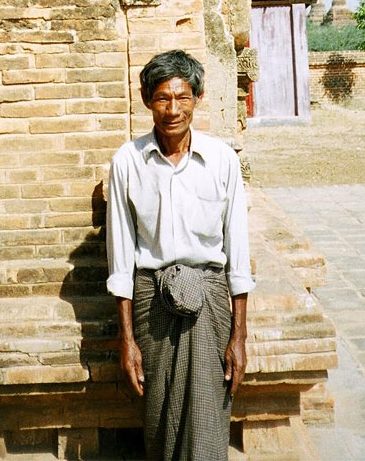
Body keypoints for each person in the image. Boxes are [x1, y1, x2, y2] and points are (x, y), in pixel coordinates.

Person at [106, 50, 254, 461]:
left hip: (209, 300)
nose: (173, 109)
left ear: (198, 98)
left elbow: (238, 257)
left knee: (209, 415)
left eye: (182, 97)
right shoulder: (128, 162)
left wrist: (239, 336)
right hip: (152, 302)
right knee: (160, 420)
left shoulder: (221, 160)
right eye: (162, 98)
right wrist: (127, 340)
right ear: (145, 99)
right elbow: (120, 261)